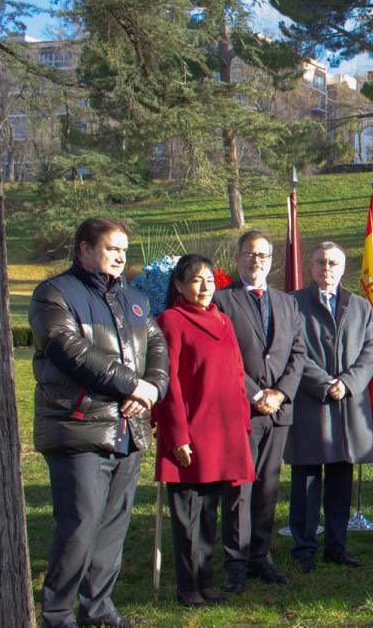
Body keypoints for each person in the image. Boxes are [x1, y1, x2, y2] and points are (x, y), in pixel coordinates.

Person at [30, 216, 169, 628]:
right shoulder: (54, 294)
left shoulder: (135, 299)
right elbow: (66, 347)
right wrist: (132, 386)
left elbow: (157, 344)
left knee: (112, 527)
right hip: (78, 427)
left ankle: (98, 608)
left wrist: (153, 388)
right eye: (112, 248)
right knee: (79, 526)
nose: (121, 257)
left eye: (124, 250)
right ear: (85, 249)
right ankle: (57, 614)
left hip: (127, 430)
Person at [154, 254, 255, 607]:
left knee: (211, 513)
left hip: (225, 434)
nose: (205, 286)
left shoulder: (224, 321)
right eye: (196, 280)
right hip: (190, 433)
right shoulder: (171, 321)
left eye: (210, 279)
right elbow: (169, 383)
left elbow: (237, 376)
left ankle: (206, 580)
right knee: (187, 516)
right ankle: (187, 586)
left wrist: (242, 423)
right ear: (179, 286)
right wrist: (177, 435)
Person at [213, 230, 306, 592]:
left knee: (268, 486)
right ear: (237, 258)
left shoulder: (287, 303)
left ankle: (260, 556)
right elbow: (225, 356)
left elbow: (298, 354)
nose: (257, 261)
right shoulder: (222, 301)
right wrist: (256, 395)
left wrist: (280, 394)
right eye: (250, 255)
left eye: (264, 256)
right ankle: (235, 561)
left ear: (272, 260)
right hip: (242, 409)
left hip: (278, 412)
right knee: (239, 488)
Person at [286, 242, 373, 572]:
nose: (327, 267)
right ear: (310, 266)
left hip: (348, 407)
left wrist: (349, 383)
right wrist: (324, 383)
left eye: (333, 262)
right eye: (320, 261)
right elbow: (293, 351)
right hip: (311, 403)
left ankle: (337, 546)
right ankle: (304, 548)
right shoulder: (293, 304)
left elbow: (371, 350)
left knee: (341, 481)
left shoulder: (360, 306)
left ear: (344, 268)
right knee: (307, 482)